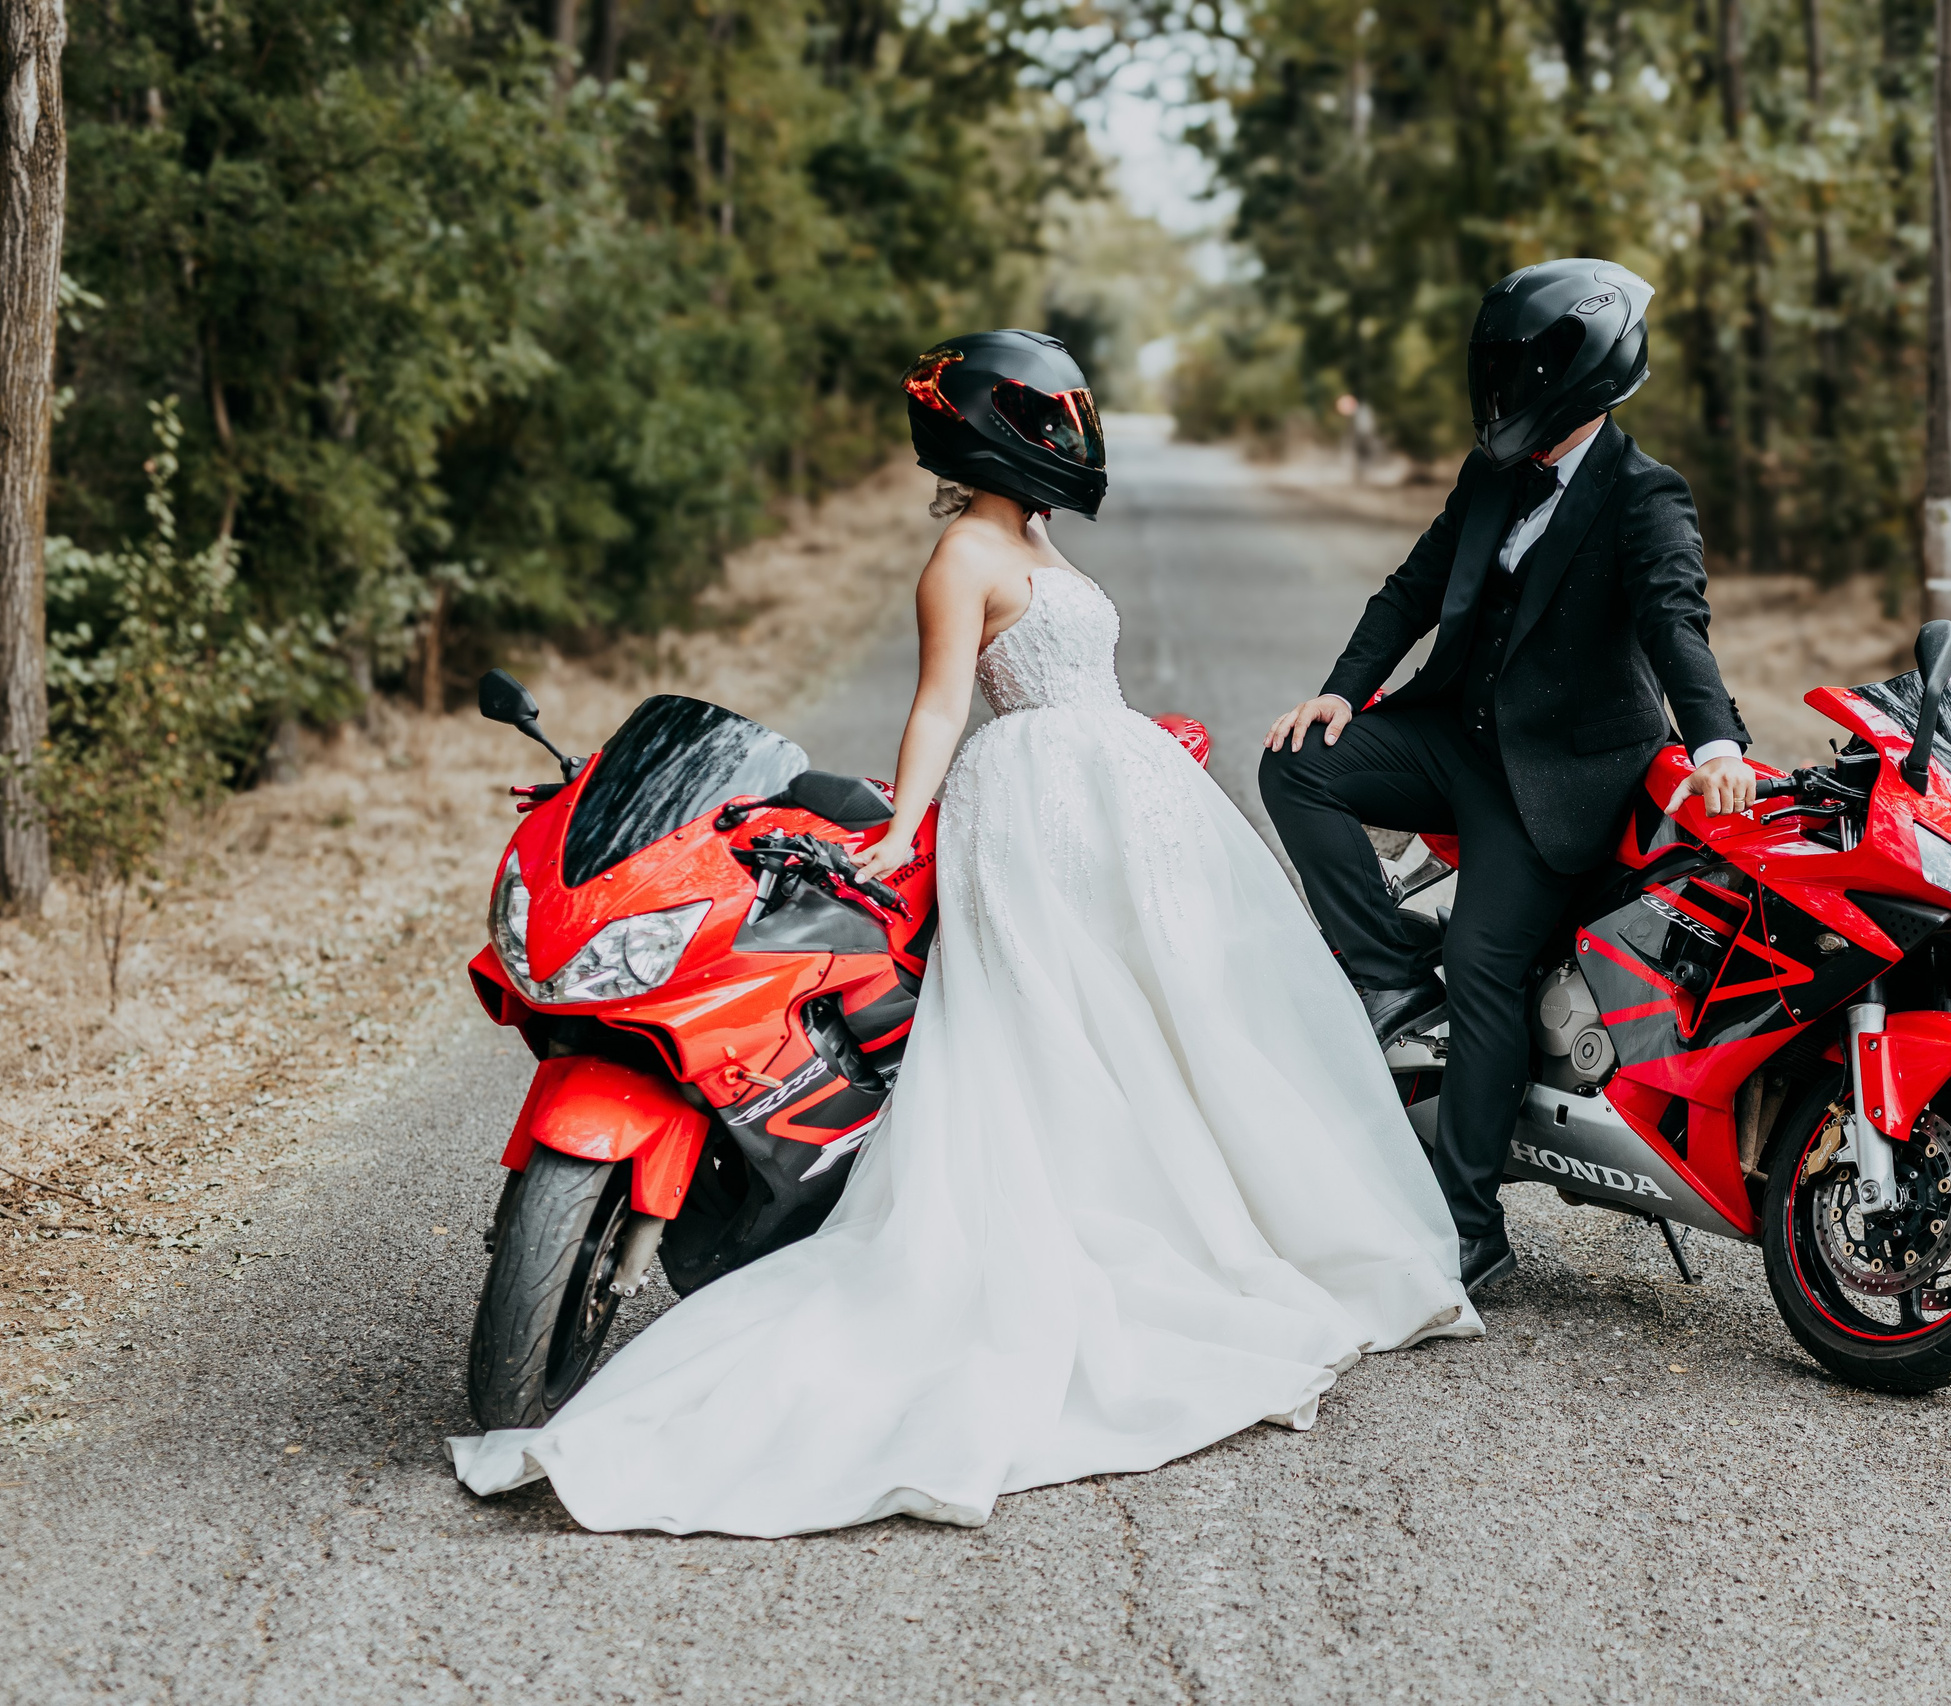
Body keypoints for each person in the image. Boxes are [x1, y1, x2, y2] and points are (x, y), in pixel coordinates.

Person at [447, 329, 1477, 1536]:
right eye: (1044, 419)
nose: (1065, 439)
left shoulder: (1032, 538)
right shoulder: (962, 553)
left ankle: (1231, 1210)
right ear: (992, 432)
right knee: (1051, 1025)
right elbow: (940, 703)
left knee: (1169, 1020)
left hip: (1119, 796)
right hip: (1035, 806)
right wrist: (898, 828)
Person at [1259, 260, 1754, 1293]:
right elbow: (1411, 589)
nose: (1500, 389)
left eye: (1516, 370)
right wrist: (1341, 690)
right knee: (1292, 762)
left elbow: (1676, 622)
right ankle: (1390, 963)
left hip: (1555, 783)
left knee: (1486, 972)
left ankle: (1469, 1232)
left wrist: (1716, 745)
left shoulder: (1644, 492)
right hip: (1452, 735)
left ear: (1576, 372)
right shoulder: (1492, 470)